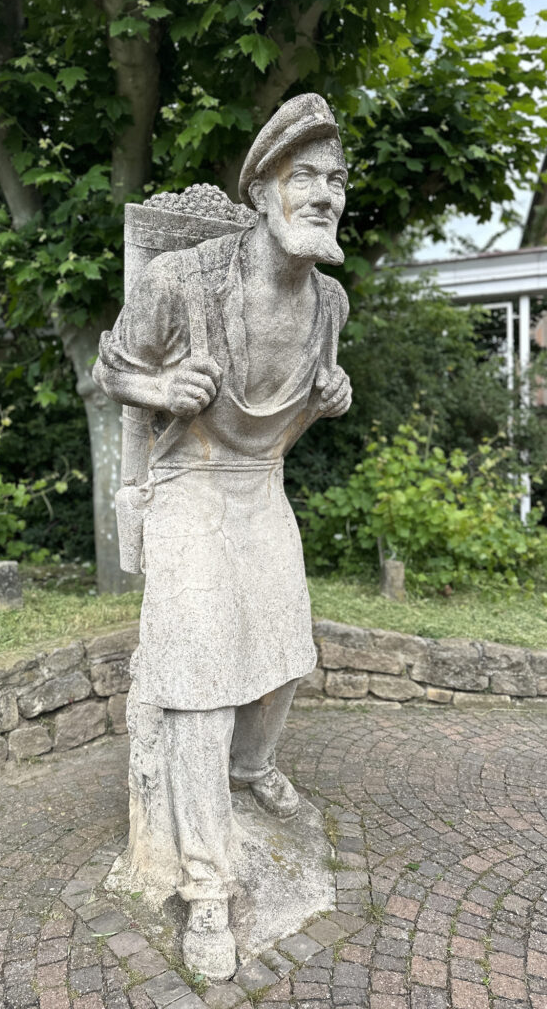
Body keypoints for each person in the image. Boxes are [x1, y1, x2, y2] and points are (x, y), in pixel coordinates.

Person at [93, 93, 352, 980]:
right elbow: (113, 365)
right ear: (264, 190)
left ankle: (249, 773)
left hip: (259, 484)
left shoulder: (331, 307)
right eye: (304, 177)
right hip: (189, 486)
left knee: (285, 655)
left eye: (335, 180)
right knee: (201, 680)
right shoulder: (183, 281)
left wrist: (319, 405)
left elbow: (275, 437)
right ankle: (207, 888)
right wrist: (164, 392)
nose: (323, 194)